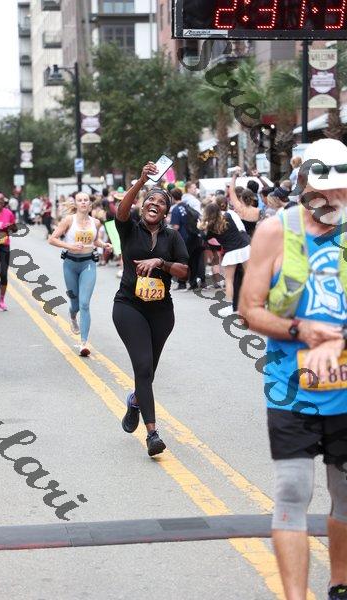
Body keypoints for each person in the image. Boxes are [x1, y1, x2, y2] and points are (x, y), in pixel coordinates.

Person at [239, 138, 347, 600]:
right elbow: (249, 309)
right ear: (305, 187)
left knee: (345, 496)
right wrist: (303, 330)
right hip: (290, 390)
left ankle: (340, 583)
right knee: (291, 492)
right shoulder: (274, 232)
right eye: (327, 191)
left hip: (345, 393)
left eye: (344, 191)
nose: (336, 200)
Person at [113, 162, 189, 457]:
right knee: (143, 367)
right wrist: (141, 181)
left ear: (166, 212)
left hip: (161, 313)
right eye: (150, 200)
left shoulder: (172, 237)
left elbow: (183, 270)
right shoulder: (129, 229)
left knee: (149, 373)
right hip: (129, 307)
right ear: (143, 205)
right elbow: (122, 210)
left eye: (161, 202)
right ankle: (152, 434)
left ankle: (135, 401)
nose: (154, 203)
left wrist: (161, 262)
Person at [49, 192, 112, 357]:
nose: (83, 202)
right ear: (76, 204)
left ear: (90, 204)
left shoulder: (95, 222)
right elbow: (52, 239)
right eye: (80, 200)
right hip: (70, 265)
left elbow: (94, 240)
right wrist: (70, 246)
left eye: (86, 200)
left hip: (88, 264)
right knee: (75, 304)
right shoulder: (68, 220)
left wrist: (104, 245)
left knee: (84, 304)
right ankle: (72, 316)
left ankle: (83, 343)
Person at [201, 200, 250, 317]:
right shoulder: (228, 216)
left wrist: (202, 225)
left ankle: (231, 306)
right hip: (244, 248)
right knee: (250, 277)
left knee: (229, 280)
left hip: (231, 252)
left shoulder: (210, 228)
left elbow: (205, 238)